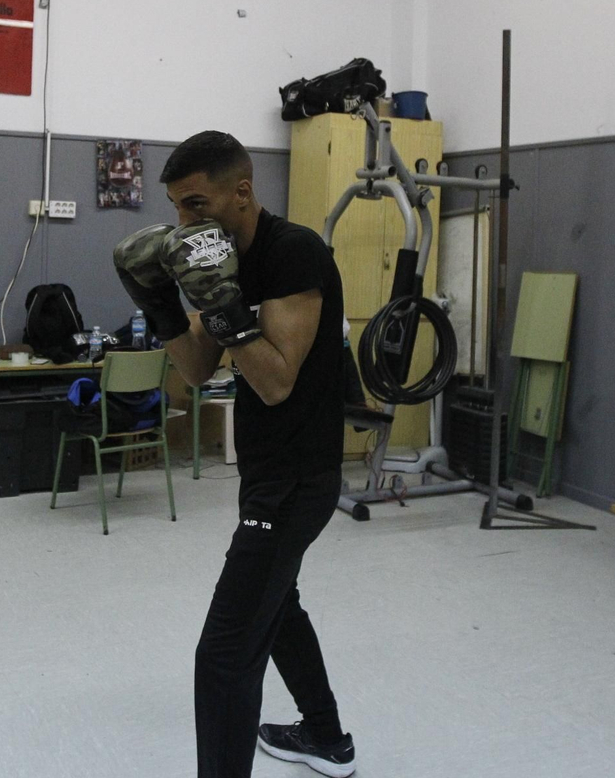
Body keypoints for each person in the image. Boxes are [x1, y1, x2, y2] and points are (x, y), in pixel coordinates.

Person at [112, 131, 354, 778]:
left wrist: (221, 307)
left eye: (196, 205)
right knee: (278, 606)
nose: (185, 223)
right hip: (266, 476)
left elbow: (275, 379)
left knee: (223, 656)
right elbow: (193, 370)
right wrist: (162, 304)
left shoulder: (292, 253)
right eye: (177, 209)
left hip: (299, 481)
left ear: (242, 191)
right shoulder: (223, 261)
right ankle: (326, 735)